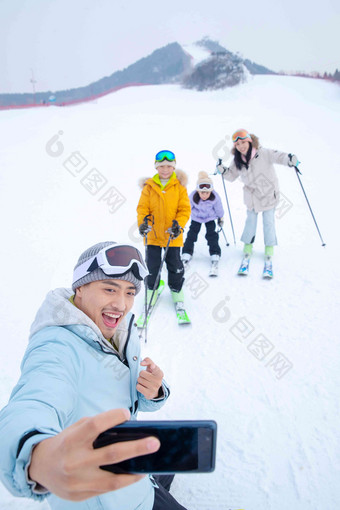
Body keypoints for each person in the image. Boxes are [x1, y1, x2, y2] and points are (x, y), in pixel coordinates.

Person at [0, 242, 188, 510]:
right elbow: (33, 402)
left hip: (129, 466)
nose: (121, 304)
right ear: (80, 287)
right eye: (109, 288)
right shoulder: (56, 347)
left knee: (168, 453)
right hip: (115, 500)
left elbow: (121, 393)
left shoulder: (118, 328)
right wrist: (37, 457)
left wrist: (154, 390)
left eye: (130, 292)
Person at [216, 129, 299, 276]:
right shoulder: (237, 160)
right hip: (252, 196)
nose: (241, 146)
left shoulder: (263, 153)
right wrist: (223, 171)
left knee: (268, 222)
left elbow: (279, 156)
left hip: (268, 193)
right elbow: (231, 176)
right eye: (238, 144)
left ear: (250, 141)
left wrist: (289, 159)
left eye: (243, 142)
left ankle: (269, 248)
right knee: (251, 221)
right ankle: (248, 247)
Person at [137, 150, 191, 318]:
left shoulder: (179, 187)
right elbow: (142, 209)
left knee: (175, 266)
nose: (165, 170)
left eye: (169, 166)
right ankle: (151, 290)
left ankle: (177, 292)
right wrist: (143, 224)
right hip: (152, 235)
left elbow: (184, 210)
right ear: (156, 167)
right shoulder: (149, 187)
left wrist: (179, 225)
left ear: (173, 167)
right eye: (161, 166)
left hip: (172, 236)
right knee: (152, 266)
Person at [181, 171, 224, 276]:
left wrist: (220, 218)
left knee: (212, 235)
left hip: (210, 218)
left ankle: (215, 253)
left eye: (207, 193)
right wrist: (184, 219)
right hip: (197, 217)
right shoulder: (192, 197)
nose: (204, 195)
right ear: (198, 191)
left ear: (211, 191)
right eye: (202, 193)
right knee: (192, 235)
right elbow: (187, 208)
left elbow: (219, 209)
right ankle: (186, 252)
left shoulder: (215, 197)